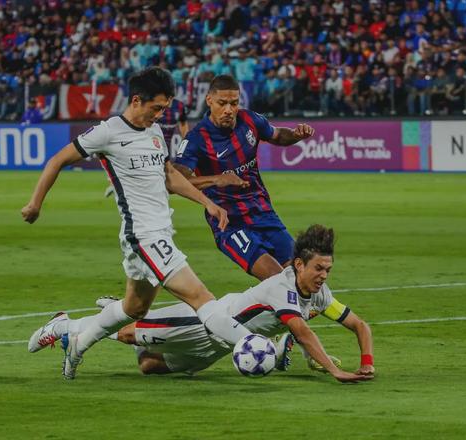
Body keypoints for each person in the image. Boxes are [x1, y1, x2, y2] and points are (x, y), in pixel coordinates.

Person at [23, 67, 252, 380]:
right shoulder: (108, 132)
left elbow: (169, 176)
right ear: (136, 101)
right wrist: (35, 203)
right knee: (201, 298)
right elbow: (57, 160)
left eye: (164, 109)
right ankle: (254, 345)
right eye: (155, 108)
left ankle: (69, 331)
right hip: (143, 237)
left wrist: (207, 202)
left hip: (159, 233)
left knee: (134, 310)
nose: (159, 115)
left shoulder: (154, 131)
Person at [96, 224, 374, 383]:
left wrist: (367, 363)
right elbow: (302, 332)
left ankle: (134, 318)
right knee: (127, 334)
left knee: (148, 365)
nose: (323, 275)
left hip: (219, 348)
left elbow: (359, 325)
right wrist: (336, 371)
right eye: (318, 269)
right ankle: (109, 316)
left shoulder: (321, 294)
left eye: (328, 270)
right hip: (207, 322)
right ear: (299, 265)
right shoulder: (283, 287)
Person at [173, 74, 315, 281]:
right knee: (278, 280)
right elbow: (174, 181)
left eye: (234, 103)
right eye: (222, 103)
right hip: (230, 223)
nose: (229, 110)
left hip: (264, 213)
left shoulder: (249, 120)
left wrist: (295, 135)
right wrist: (216, 179)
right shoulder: (196, 139)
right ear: (209, 100)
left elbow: (277, 135)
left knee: (302, 276)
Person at [104, 96, 188, 197]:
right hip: (150, 143)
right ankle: (117, 184)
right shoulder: (154, 105)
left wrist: (186, 140)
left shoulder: (179, 106)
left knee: (164, 172)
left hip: (165, 145)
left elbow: (183, 124)